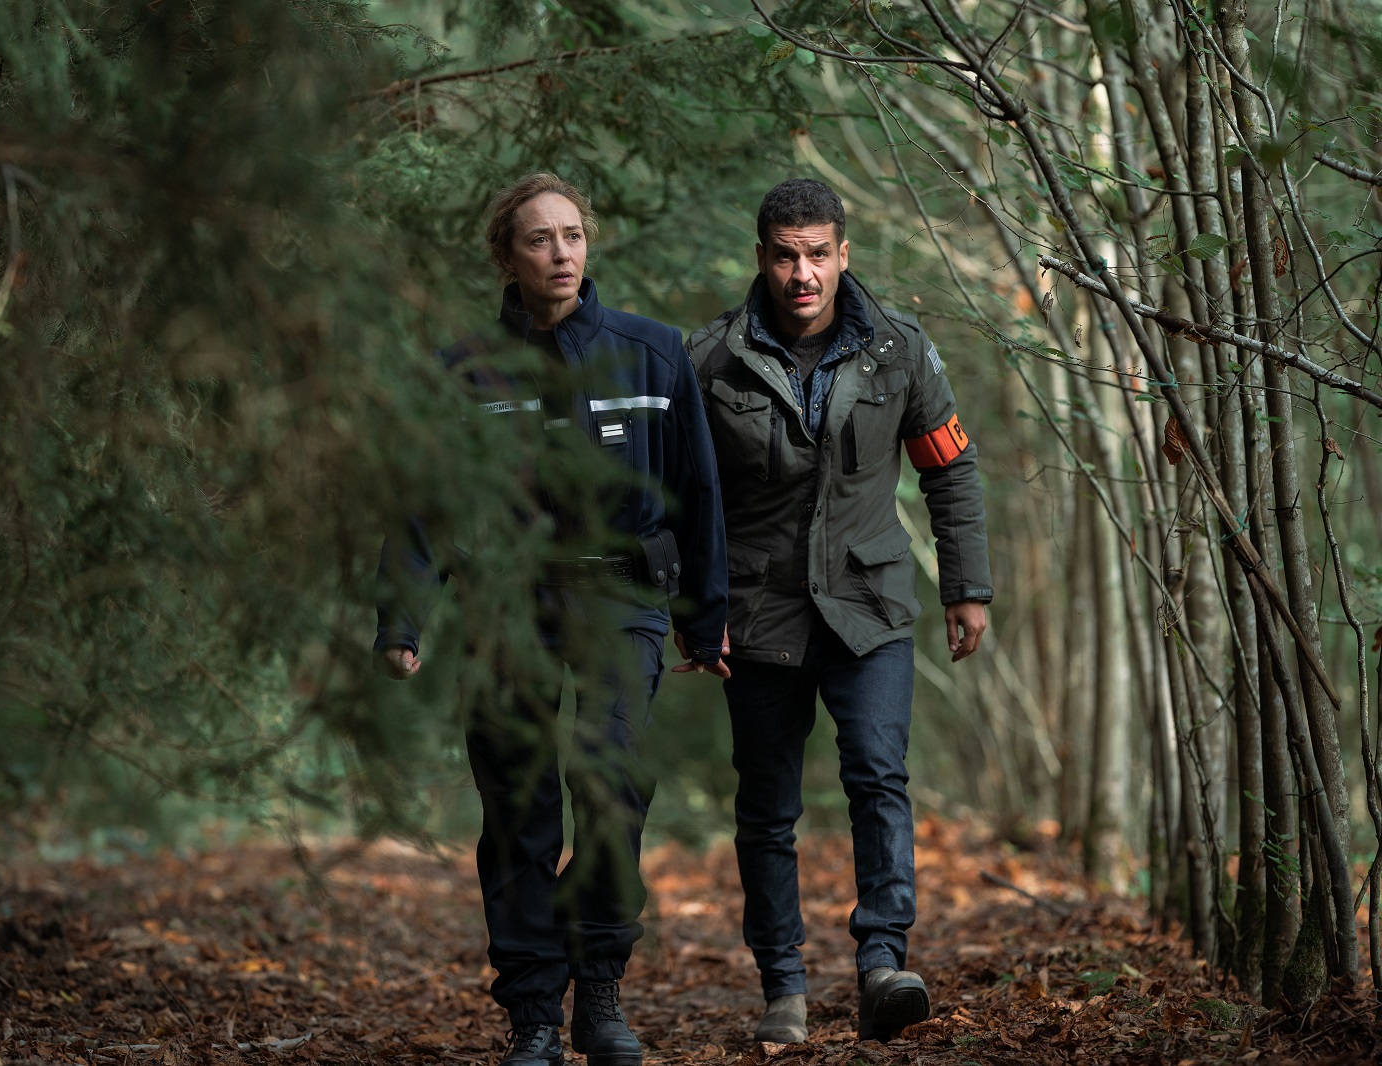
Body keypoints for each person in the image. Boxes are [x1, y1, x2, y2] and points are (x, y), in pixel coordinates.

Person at [375, 173, 729, 1066]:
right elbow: (425, 506)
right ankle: (533, 1012)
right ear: (507, 255)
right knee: (518, 805)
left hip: (622, 597)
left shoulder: (652, 355)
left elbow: (698, 494)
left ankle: (599, 988)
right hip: (507, 601)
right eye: (539, 239)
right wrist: (403, 618)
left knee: (611, 784)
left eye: (572, 235)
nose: (560, 253)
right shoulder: (463, 372)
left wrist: (707, 617)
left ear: (589, 244)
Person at [687, 178, 992, 1044]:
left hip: (871, 606)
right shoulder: (710, 360)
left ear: (843, 252)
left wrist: (965, 586)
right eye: (785, 255)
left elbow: (950, 468)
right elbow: (683, 497)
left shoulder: (898, 350)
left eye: (817, 253)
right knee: (767, 806)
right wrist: (695, 608)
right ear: (762, 258)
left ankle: (883, 964)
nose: (802, 273)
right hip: (759, 614)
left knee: (878, 777)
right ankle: (782, 983)